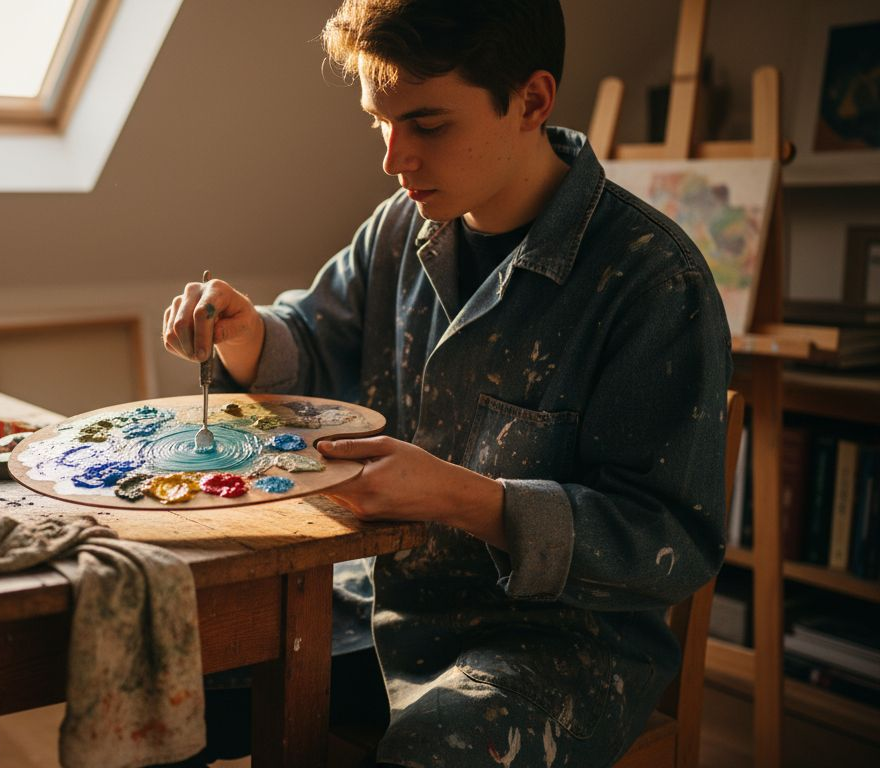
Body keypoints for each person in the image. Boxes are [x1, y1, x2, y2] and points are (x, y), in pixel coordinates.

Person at [160, 0, 733, 765]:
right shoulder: (397, 228)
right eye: (379, 122)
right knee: (164, 672)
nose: (394, 159)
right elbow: (316, 340)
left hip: (563, 644)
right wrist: (246, 333)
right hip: (378, 606)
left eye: (427, 125)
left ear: (531, 101)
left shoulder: (652, 279)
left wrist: (469, 501)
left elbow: (672, 540)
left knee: (439, 748)